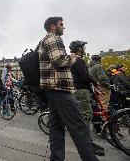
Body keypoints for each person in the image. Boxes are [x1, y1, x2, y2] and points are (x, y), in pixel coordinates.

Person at [38, 17, 98, 161]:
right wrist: (74, 57)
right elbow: (59, 60)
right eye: (61, 24)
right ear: (53, 26)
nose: (63, 27)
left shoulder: (44, 40)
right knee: (79, 125)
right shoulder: (54, 38)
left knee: (56, 127)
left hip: (51, 88)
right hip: (59, 88)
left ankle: (56, 158)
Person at [69, 41, 105, 156]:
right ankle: (86, 144)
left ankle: (87, 142)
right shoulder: (78, 60)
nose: (84, 49)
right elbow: (85, 75)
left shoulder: (71, 59)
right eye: (83, 47)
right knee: (86, 116)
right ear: (79, 49)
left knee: (84, 116)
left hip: (77, 90)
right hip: (81, 91)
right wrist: (95, 83)